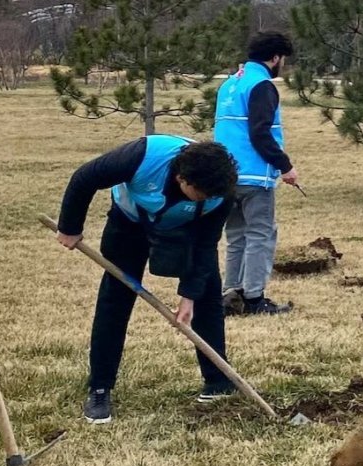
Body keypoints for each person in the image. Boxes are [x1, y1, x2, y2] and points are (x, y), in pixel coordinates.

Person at [56, 136, 238, 424]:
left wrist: (189, 295)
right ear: (181, 178)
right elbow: (84, 178)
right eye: (201, 193)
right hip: (128, 224)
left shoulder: (222, 192)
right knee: (114, 301)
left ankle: (218, 382)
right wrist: (70, 226)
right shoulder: (140, 156)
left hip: (187, 229)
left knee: (207, 294)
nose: (207, 198)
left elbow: (205, 246)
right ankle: (100, 388)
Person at [215, 31, 297, 316]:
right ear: (275, 58)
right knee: (260, 234)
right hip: (254, 175)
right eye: (282, 59)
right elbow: (260, 132)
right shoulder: (262, 85)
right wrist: (284, 166)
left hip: (226, 173)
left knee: (236, 234)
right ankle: (254, 299)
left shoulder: (229, 84)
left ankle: (231, 293)